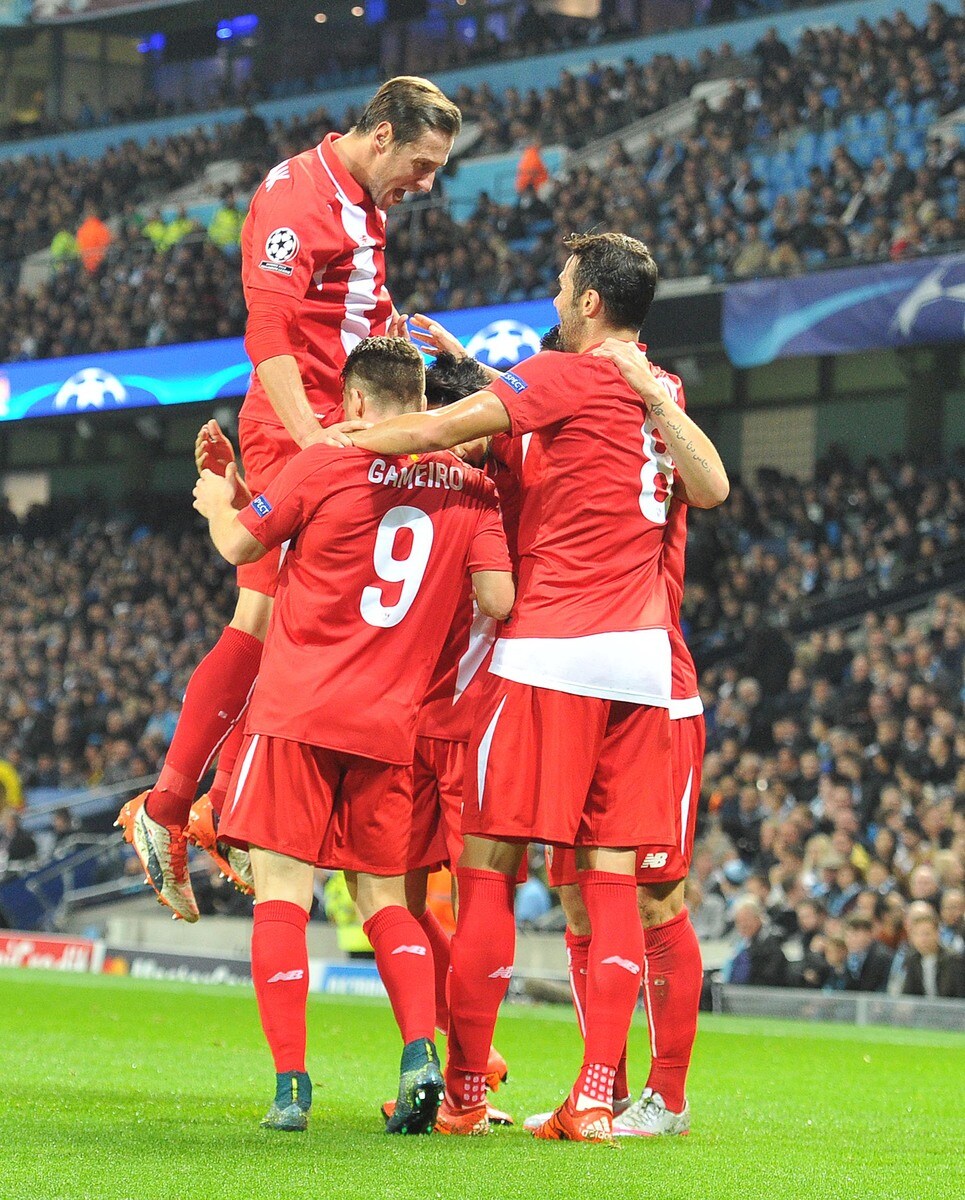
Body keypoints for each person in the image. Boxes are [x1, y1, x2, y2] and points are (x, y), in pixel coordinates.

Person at [348, 230, 728, 1141]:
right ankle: (595, 1094)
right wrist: (474, 369)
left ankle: (469, 1093)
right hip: (640, 662)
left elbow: (444, 429)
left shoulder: (566, 377)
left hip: (551, 652)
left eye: (562, 287)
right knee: (604, 881)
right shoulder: (657, 390)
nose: (555, 299)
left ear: (589, 301)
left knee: (488, 867)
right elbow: (572, 422)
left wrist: (341, 443)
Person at [117, 76, 462, 922]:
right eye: (421, 164)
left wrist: (399, 347)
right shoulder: (297, 197)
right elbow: (268, 330)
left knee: (290, 626)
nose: (426, 183)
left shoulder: (363, 201)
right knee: (268, 618)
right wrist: (309, 440)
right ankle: (173, 807)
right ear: (381, 134)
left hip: (339, 423)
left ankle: (205, 803)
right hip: (299, 424)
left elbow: (347, 310)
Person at [192, 337, 513, 1134]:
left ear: (356, 401)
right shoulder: (472, 488)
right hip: (391, 723)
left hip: (297, 715)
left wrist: (219, 499)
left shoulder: (324, 461)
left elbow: (239, 545)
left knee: (283, 897)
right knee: (384, 901)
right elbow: (498, 599)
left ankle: (291, 1088)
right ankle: (419, 1055)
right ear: (423, 402)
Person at [841, 912, 894, 992]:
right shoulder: (847, 956)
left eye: (855, 935)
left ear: (868, 935)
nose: (849, 940)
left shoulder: (882, 957)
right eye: (847, 935)